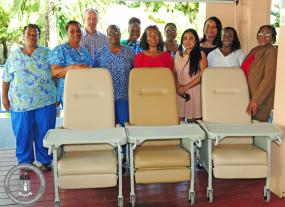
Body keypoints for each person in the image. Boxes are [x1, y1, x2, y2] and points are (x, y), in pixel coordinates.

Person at [1, 24, 56, 170]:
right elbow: (6, 79)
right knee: (23, 133)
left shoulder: (47, 53)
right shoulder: (14, 56)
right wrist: (4, 98)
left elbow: (55, 74)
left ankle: (45, 161)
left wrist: (57, 94)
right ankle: (25, 162)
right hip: (21, 103)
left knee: (45, 132)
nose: (31, 37)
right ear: (23, 36)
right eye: (29, 34)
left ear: (39, 36)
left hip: (45, 100)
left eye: (35, 34)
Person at [95, 25, 135, 126]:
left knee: (124, 125)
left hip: (124, 97)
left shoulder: (130, 52)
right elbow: (95, 74)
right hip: (105, 96)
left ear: (120, 35)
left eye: (116, 33)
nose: (113, 35)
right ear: (107, 36)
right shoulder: (100, 53)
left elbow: (135, 73)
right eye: (110, 33)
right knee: (107, 125)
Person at [49, 20, 94, 106]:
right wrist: (73, 67)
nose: (75, 33)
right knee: (72, 118)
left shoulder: (84, 50)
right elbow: (55, 72)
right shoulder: (60, 50)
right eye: (72, 31)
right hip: (69, 94)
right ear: (67, 33)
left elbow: (90, 68)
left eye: (78, 31)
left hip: (86, 92)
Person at [241, 25, 277, 122]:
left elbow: (270, 77)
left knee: (257, 130)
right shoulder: (255, 49)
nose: (263, 36)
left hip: (260, 100)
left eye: (268, 34)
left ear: (273, 38)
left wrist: (256, 100)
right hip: (247, 95)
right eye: (261, 33)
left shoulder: (271, 51)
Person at [174, 29, 208, 122]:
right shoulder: (177, 54)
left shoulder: (201, 54)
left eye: (191, 38)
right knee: (178, 121)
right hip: (179, 92)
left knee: (192, 122)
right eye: (185, 38)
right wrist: (178, 87)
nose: (187, 41)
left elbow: (203, 75)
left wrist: (185, 87)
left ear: (196, 40)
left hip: (193, 91)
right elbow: (174, 73)